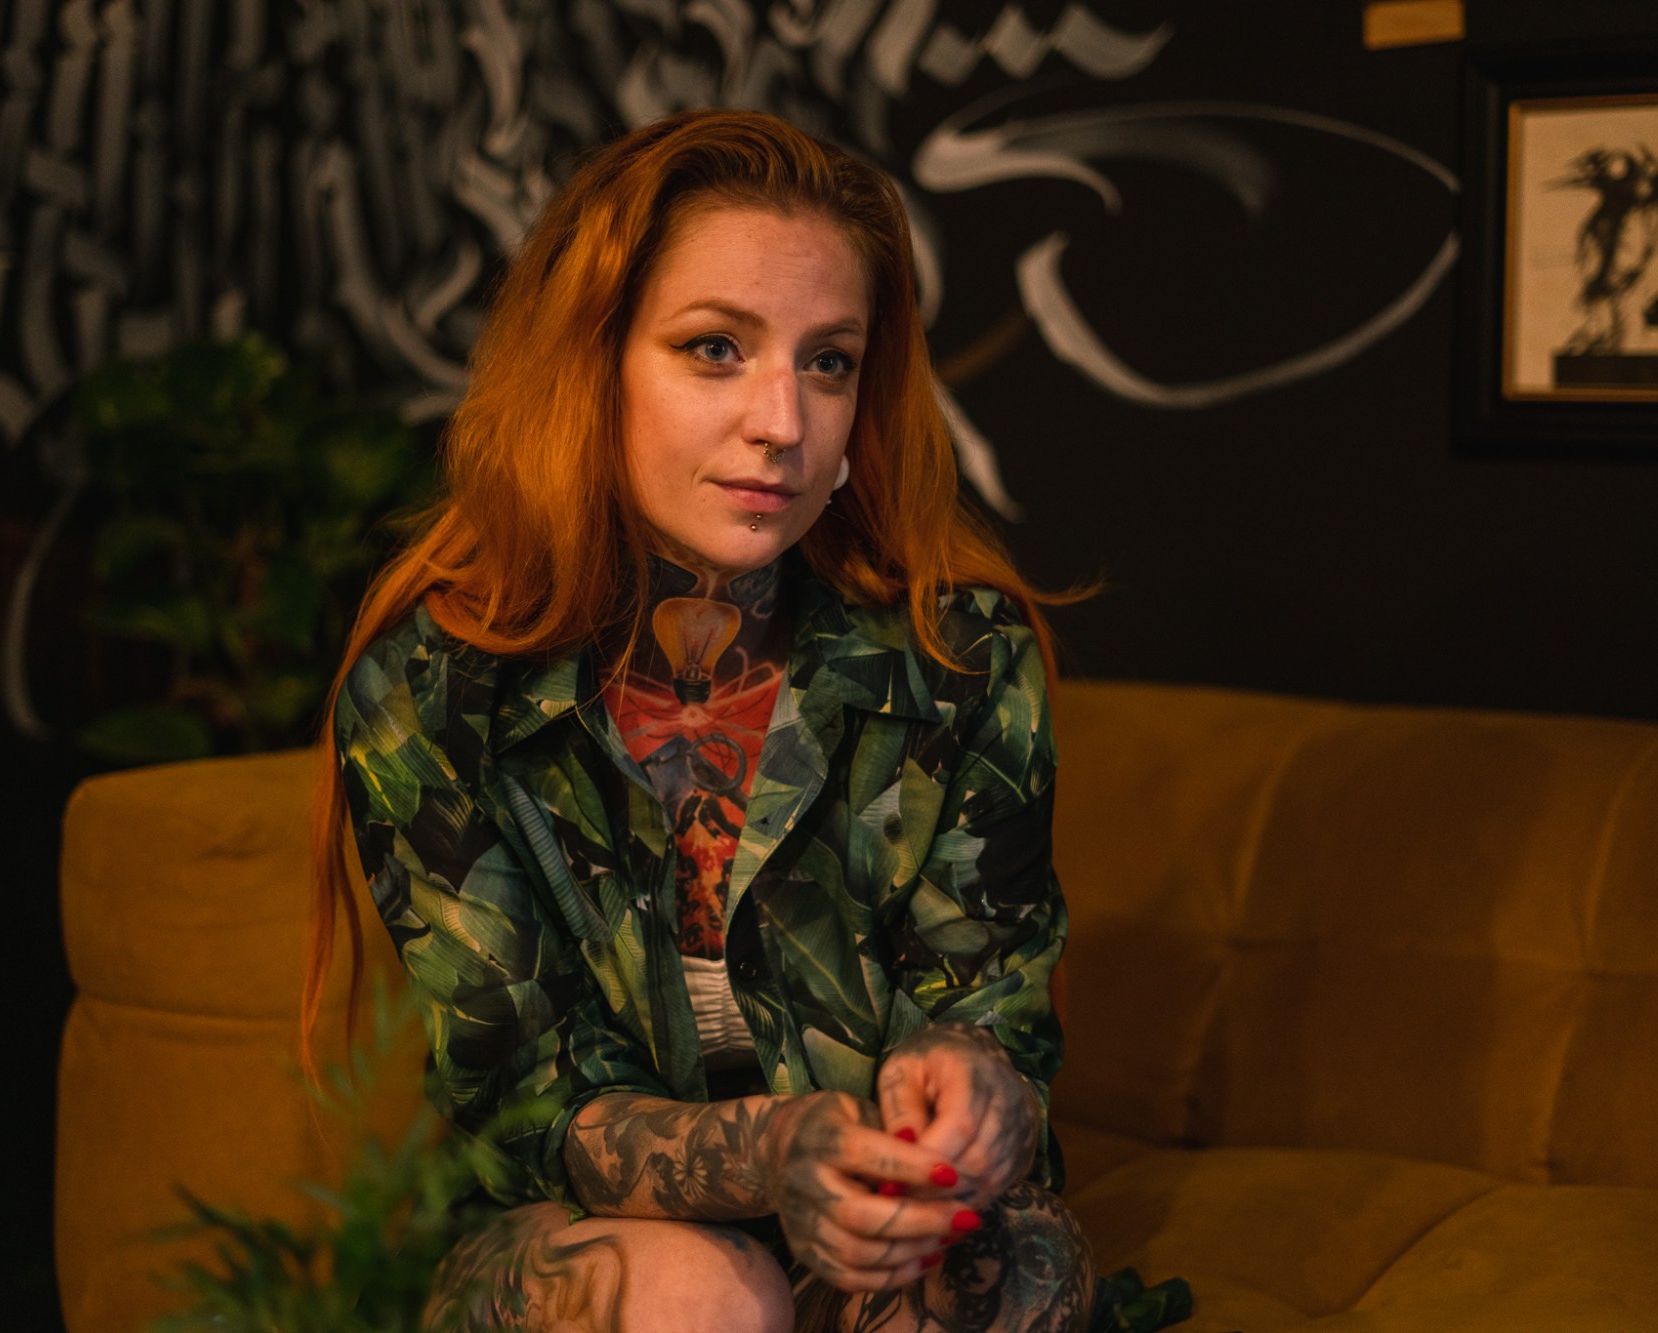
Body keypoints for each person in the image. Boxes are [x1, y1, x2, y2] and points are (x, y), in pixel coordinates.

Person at [304, 108, 1128, 1332]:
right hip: (589, 1238)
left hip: (877, 1235)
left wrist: (973, 1088)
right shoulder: (432, 688)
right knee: (704, 1293)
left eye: (828, 361)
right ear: (590, 362)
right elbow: (525, 1101)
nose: (782, 423)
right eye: (714, 349)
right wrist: (768, 1152)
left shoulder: (956, 655)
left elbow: (990, 997)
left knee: (1005, 1264)